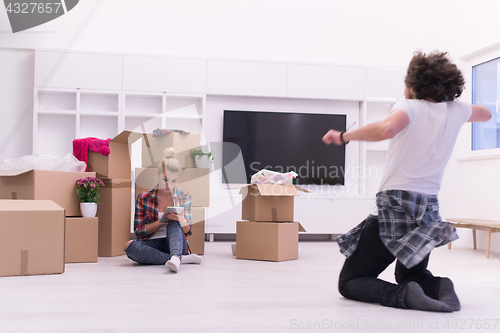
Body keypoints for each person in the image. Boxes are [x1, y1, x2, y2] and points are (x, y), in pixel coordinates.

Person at [322, 50, 491, 312]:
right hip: (427, 209)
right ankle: (439, 286)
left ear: (413, 86)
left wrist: (344, 136)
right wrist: (457, 107)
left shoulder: (409, 106)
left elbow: (387, 129)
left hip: (395, 205)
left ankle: (401, 296)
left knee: (350, 281)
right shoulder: (456, 110)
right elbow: (486, 114)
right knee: (410, 274)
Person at [124, 147, 203, 273]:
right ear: (158, 173)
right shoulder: (144, 197)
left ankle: (176, 256)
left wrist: (180, 219)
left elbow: (189, 231)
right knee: (129, 246)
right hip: (153, 244)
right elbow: (138, 232)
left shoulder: (184, 196)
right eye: (165, 179)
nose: (168, 185)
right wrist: (161, 221)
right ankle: (181, 259)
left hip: (176, 242)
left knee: (174, 221)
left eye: (173, 181)